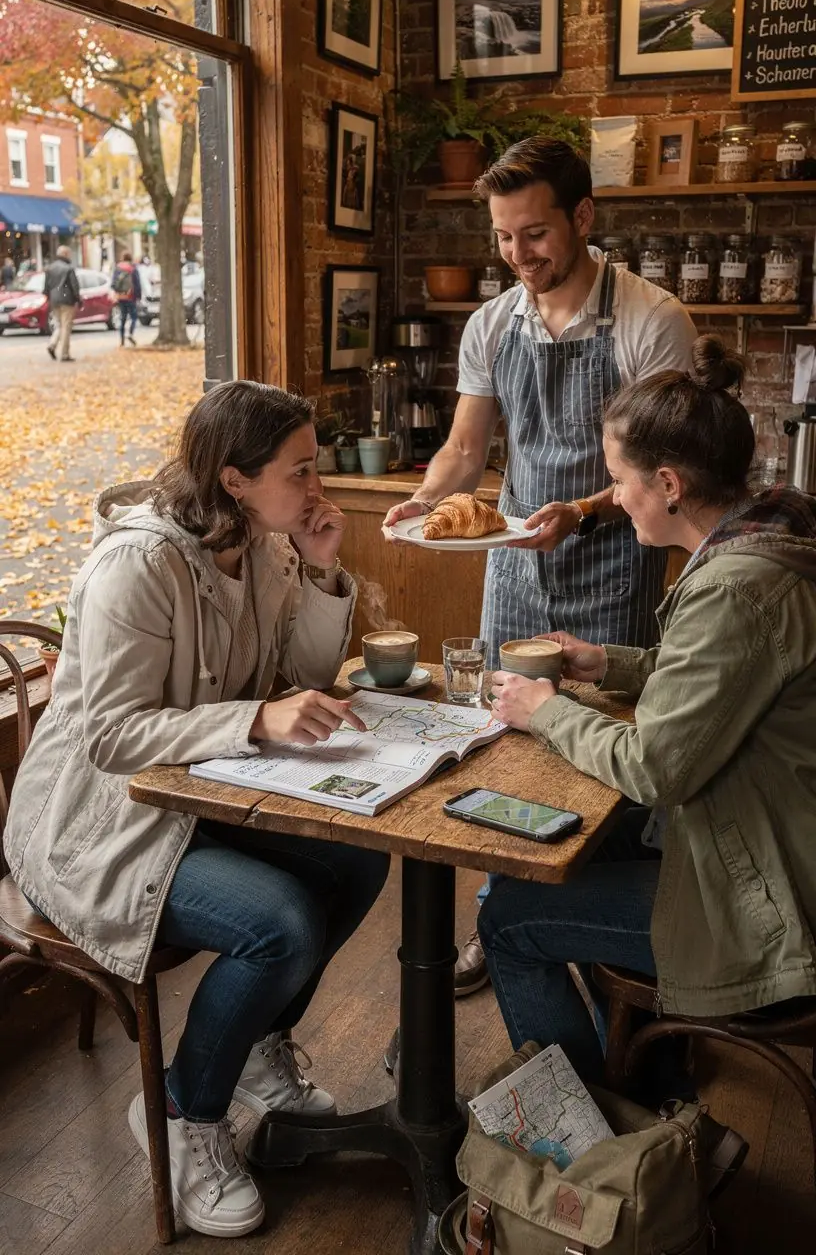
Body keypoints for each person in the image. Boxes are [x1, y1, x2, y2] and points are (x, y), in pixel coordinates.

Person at [3, 381, 390, 1238]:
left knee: (363, 859)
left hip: (196, 795)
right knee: (281, 922)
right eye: (300, 471)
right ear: (233, 480)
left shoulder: (266, 546)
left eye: (315, 467)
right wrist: (254, 718)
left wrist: (322, 567)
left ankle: (253, 1046)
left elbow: (302, 679)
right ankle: (182, 1115)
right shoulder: (137, 565)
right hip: (96, 820)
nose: (316, 488)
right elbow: (110, 736)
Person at [383, 135, 697, 994]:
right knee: (505, 743)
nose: (520, 255)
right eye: (504, 237)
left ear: (582, 217)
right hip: (516, 571)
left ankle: (609, 941)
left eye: (535, 233)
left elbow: (663, 467)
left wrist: (584, 512)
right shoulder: (493, 324)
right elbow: (464, 446)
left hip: (614, 564)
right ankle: (501, 914)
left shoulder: (650, 318)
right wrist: (425, 501)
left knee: (608, 755)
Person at [480, 336, 816, 1088]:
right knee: (573, 855)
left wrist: (546, 709)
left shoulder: (735, 589)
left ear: (666, 483)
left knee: (506, 919)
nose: (615, 496)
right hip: (775, 840)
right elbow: (730, 687)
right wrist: (612, 663)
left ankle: (597, 1138)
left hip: (775, 901)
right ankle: (655, 1093)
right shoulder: (767, 535)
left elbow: (654, 766)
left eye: (618, 480)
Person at [45, 244, 81, 362]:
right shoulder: (68, 268)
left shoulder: (50, 268)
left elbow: (46, 287)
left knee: (59, 325)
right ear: (65, 254)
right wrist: (78, 299)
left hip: (54, 299)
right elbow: (74, 286)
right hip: (66, 299)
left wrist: (48, 298)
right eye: (69, 253)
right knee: (66, 326)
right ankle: (65, 354)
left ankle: (52, 344)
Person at [112, 248, 139, 346]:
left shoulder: (117, 268)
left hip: (120, 297)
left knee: (122, 318)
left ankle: (122, 341)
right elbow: (137, 284)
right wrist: (138, 296)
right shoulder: (133, 268)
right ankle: (130, 333)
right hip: (130, 296)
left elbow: (113, 283)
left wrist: (117, 293)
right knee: (134, 317)